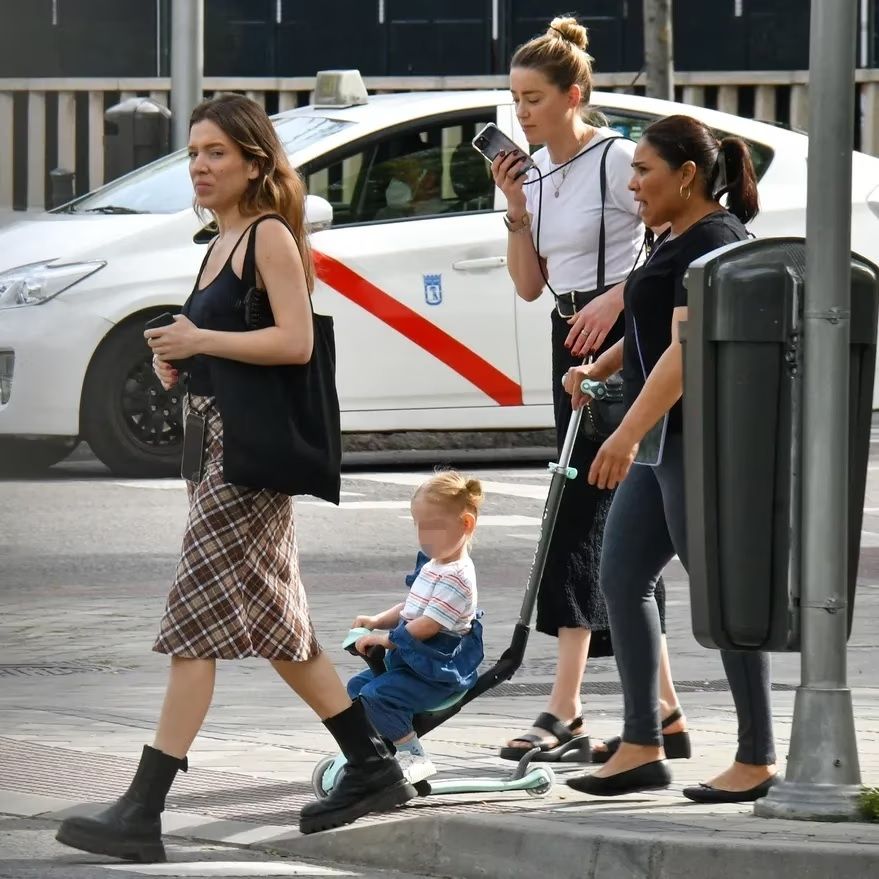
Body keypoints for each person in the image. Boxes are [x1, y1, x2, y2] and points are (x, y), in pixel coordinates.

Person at [55, 94, 417, 863]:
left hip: (244, 459)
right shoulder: (218, 241)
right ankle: (372, 764)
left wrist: (202, 339)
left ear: (254, 163)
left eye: (216, 152)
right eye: (193, 152)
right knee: (281, 627)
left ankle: (142, 808)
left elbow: (294, 342)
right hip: (216, 443)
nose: (200, 166)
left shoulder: (268, 236)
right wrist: (180, 358)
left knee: (193, 623)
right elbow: (228, 340)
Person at [563, 114, 778, 800]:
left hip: (698, 442)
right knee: (621, 577)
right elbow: (649, 324)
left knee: (722, 592)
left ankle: (756, 757)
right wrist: (599, 367)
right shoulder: (676, 237)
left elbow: (684, 353)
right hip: (665, 442)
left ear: (686, 175)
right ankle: (641, 744)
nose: (632, 184)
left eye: (643, 170)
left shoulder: (713, 243)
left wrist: (624, 433)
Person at [491, 15, 687, 763]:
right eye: (515, 99)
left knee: (580, 512)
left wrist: (618, 298)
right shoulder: (536, 172)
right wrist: (515, 208)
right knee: (610, 518)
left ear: (573, 95)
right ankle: (662, 709)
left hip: (620, 338)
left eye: (534, 98)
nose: (522, 114)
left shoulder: (613, 159)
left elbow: (669, 241)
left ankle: (565, 704)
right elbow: (527, 284)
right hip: (566, 336)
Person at [347, 471, 485, 784]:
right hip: (412, 666)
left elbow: (427, 625)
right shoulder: (434, 564)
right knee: (355, 690)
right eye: (418, 525)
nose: (424, 535)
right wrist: (377, 620)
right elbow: (411, 608)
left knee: (377, 696)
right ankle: (376, 755)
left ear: (466, 524)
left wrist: (386, 639)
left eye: (432, 527)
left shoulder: (457, 577)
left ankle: (413, 756)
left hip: (437, 673)